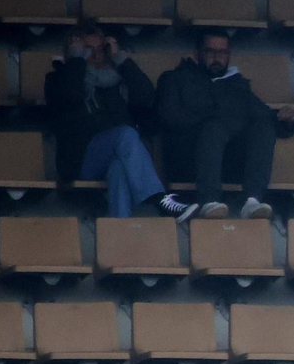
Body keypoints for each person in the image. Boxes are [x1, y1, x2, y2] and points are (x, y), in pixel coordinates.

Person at [45, 23, 197, 221]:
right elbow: (71, 96)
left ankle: (120, 228)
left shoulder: (117, 80)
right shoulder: (58, 79)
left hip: (116, 155)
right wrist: (76, 61)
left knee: (119, 168)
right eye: (87, 50)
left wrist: (121, 59)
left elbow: (146, 98)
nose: (95, 55)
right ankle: (160, 200)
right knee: (125, 133)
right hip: (80, 160)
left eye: (100, 49)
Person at [156, 29, 294, 220]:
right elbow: (168, 118)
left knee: (262, 127)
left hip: (226, 164)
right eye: (210, 52)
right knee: (213, 127)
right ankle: (209, 201)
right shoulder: (174, 79)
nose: (217, 58)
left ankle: (252, 201)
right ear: (197, 54)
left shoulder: (236, 85)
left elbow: (264, 116)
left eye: (222, 53)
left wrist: (288, 120)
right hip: (187, 161)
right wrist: (213, 115)